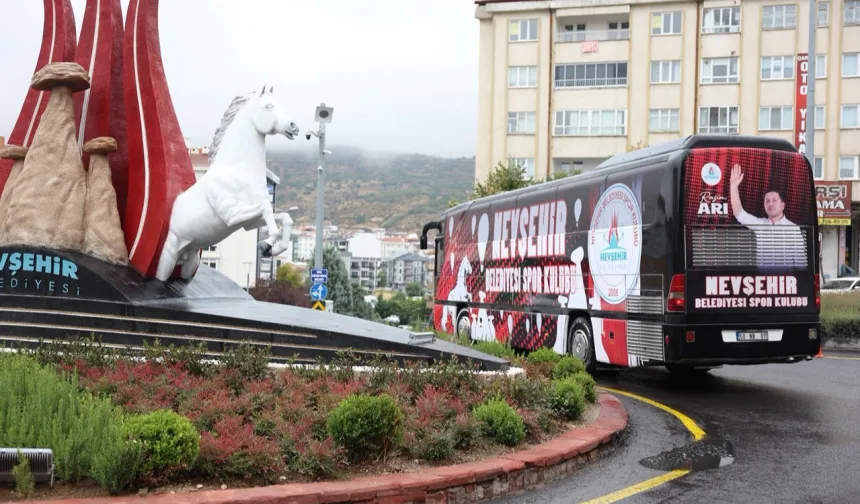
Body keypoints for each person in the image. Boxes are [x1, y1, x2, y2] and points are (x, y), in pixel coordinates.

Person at [729, 164, 806, 268]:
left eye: (774, 200)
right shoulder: (760, 225)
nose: (770, 204)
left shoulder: (793, 229)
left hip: (785, 278)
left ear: (782, 205)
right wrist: (733, 186)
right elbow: (739, 214)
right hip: (761, 278)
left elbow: (801, 265)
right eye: (767, 201)